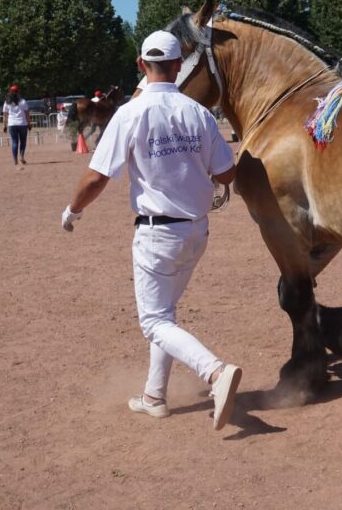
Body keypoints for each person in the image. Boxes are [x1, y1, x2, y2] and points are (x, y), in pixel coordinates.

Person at [61, 30, 241, 430]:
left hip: (157, 234)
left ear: (142, 66)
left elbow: (96, 178)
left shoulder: (131, 112)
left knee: (154, 321)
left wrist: (72, 210)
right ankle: (154, 396)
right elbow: (227, 173)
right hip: (196, 233)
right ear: (178, 66)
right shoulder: (199, 113)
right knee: (166, 315)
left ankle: (215, 373)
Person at [3, 85, 31, 165]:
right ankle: (21, 157)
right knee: (23, 141)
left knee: (15, 142)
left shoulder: (7, 102)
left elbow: (5, 115)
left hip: (12, 124)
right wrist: (29, 124)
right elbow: (27, 114)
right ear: (18, 91)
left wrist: (4, 125)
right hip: (22, 123)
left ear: (10, 92)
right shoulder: (23, 101)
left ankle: (15, 160)